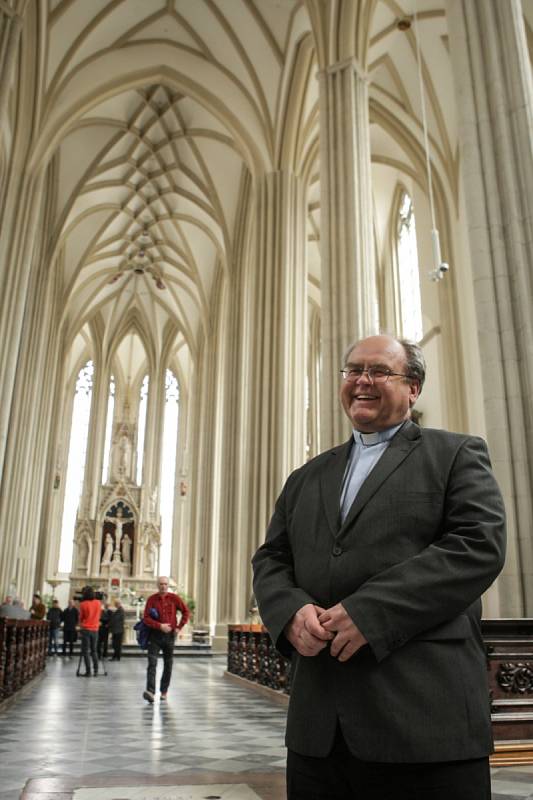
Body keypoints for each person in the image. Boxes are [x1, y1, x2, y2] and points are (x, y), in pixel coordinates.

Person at [252, 334, 506, 800]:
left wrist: (370, 611)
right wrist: (288, 611)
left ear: (413, 388)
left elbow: (477, 545)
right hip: (319, 729)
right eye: (353, 370)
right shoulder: (306, 477)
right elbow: (272, 558)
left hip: (423, 719)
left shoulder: (454, 454)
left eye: (379, 371)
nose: (362, 381)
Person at [142, 576, 190, 703]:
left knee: (168, 664)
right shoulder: (152, 599)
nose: (163, 586)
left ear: (168, 586)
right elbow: (146, 618)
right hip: (155, 636)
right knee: (152, 664)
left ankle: (164, 691)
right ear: (157, 585)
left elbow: (186, 612)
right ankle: (150, 692)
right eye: (161, 584)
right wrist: (160, 626)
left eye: (165, 584)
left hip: (169, 637)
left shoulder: (174, 598)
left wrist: (179, 627)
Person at [79, 586, 101, 676]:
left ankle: (88, 671)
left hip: (86, 629)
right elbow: (99, 614)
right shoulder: (98, 603)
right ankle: (96, 670)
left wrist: (81, 623)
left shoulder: (83, 604)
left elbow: (81, 617)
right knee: (94, 650)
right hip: (95, 629)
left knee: (85, 651)